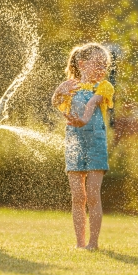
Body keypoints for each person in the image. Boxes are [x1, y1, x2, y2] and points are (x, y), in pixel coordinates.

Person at [52, 43, 114, 250]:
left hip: (96, 144)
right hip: (74, 144)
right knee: (78, 196)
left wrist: (84, 120)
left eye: (104, 65)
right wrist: (58, 92)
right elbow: (56, 103)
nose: (101, 69)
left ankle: (93, 243)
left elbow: (91, 105)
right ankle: (79, 243)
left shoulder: (104, 86)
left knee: (93, 194)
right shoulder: (72, 86)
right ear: (82, 64)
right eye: (97, 64)